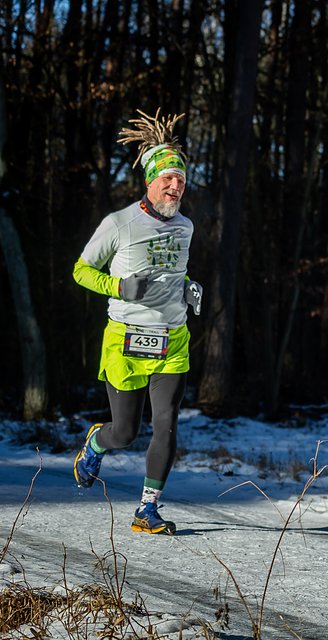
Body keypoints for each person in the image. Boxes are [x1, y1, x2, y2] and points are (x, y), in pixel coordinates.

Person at [71, 109, 201, 536]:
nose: (175, 185)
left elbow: (174, 272)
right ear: (149, 180)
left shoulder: (186, 227)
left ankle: (148, 509)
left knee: (166, 423)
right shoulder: (119, 224)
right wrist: (118, 287)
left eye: (180, 178)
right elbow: (81, 270)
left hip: (173, 339)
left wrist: (187, 288)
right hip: (127, 337)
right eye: (167, 178)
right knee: (125, 432)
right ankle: (95, 443)